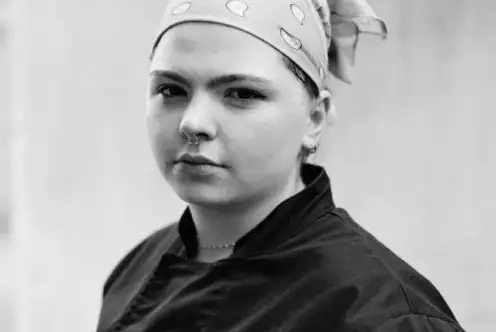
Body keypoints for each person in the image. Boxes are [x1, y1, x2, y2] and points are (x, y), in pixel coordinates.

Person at [96, 0, 466, 331]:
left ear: (314, 119)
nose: (192, 123)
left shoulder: (380, 313)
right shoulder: (134, 271)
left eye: (241, 94)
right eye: (170, 90)